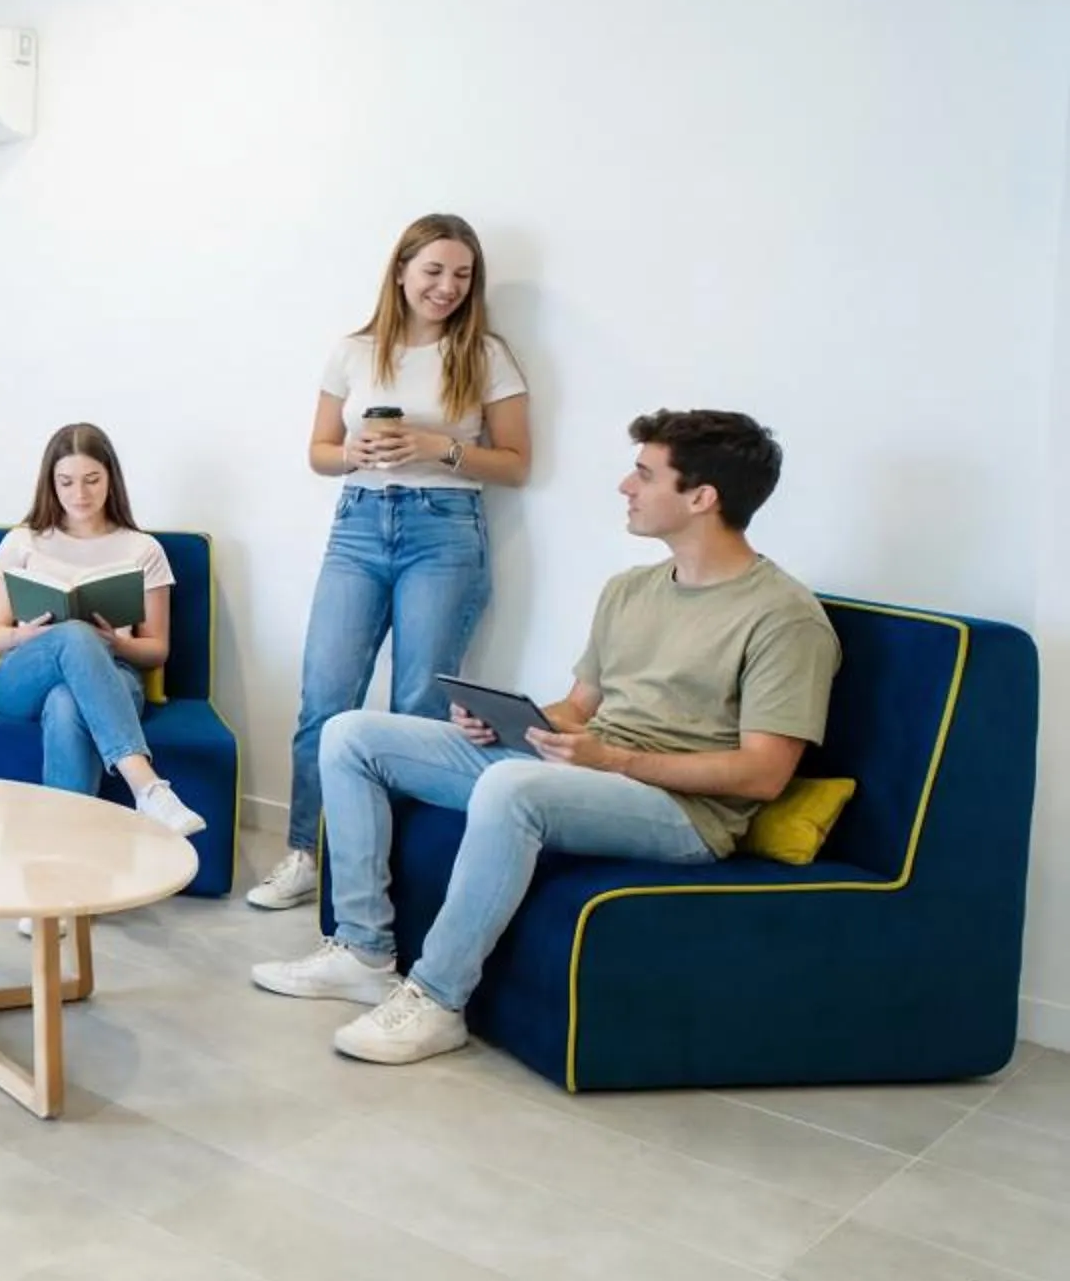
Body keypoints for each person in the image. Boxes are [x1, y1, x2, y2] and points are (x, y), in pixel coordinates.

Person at [251, 410, 837, 1065]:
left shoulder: (784, 618)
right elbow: (579, 707)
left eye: (644, 474)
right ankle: (363, 951)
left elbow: (762, 774)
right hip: (587, 770)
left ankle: (439, 1000)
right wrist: (505, 721)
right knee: (352, 735)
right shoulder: (632, 589)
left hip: (684, 815)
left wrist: (613, 759)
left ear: (702, 498)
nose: (625, 486)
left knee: (511, 786)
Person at [251, 214, 532, 912]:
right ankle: (307, 853)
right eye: (434, 271)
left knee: (417, 708)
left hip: (446, 532)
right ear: (401, 271)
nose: (447, 287)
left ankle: (402, 865)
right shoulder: (353, 350)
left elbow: (518, 463)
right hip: (358, 525)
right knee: (325, 699)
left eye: (462, 276)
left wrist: (439, 447)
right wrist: (355, 454)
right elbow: (318, 450)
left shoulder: (486, 355)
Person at [0, 424, 207, 844]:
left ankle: (60, 878)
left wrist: (115, 642)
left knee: (68, 703)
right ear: (50, 483)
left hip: (112, 678)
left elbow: (156, 650)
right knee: (73, 634)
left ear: (110, 479)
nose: (79, 494)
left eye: (91, 480)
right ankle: (148, 787)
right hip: (22, 676)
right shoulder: (23, 541)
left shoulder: (143, 549)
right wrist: (24, 636)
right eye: (65, 482)